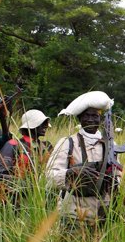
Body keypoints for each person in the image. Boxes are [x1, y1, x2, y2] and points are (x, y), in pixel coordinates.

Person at [45, 92, 120, 226]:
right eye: (86, 115)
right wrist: (72, 172)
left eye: (95, 116)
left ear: (101, 119)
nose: (91, 119)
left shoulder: (110, 145)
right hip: (72, 214)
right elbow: (49, 177)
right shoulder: (67, 143)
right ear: (80, 118)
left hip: (103, 213)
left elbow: (118, 176)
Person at [0, 109, 51, 179]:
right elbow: (0, 173)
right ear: (30, 125)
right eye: (42, 123)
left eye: (46, 123)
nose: (46, 126)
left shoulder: (46, 146)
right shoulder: (13, 144)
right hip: (16, 188)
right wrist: (23, 183)